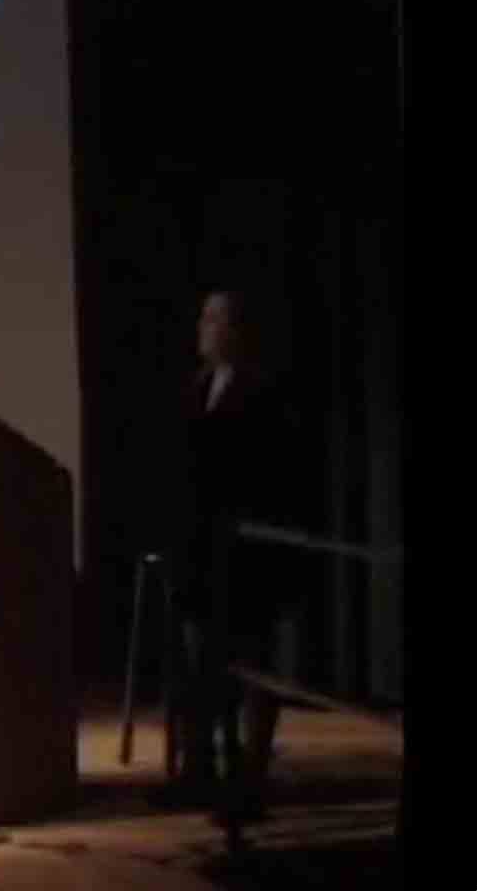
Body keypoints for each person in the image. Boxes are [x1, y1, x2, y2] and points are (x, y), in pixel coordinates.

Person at [161, 289, 304, 820]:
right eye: (203, 317)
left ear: (239, 329)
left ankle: (249, 781)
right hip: (200, 554)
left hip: (248, 558)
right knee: (199, 666)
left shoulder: (266, 389)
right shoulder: (198, 385)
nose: (203, 327)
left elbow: (275, 470)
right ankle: (199, 772)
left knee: (250, 669)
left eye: (214, 318)